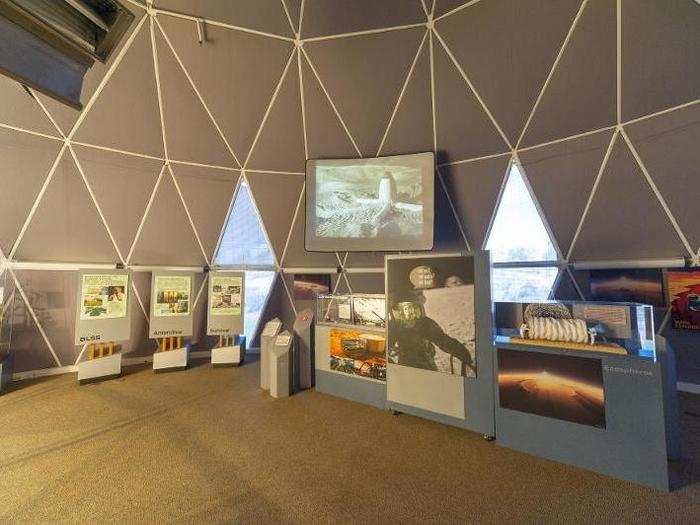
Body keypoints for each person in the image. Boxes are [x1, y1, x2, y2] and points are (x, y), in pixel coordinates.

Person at [388, 292, 475, 375]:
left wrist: (462, 353)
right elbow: (385, 346)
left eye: (411, 309)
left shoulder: (424, 324)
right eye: (401, 311)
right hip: (405, 368)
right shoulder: (394, 326)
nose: (407, 315)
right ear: (395, 312)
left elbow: (443, 340)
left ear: (418, 309)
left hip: (426, 366)